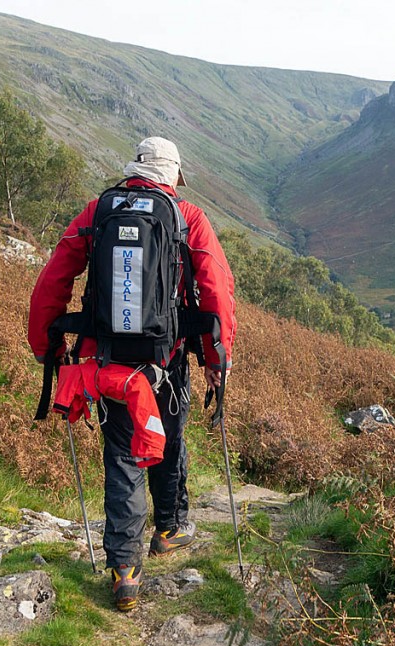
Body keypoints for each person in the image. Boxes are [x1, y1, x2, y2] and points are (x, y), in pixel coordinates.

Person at [28, 137, 236, 611]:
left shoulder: (96, 212)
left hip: (108, 364)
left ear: (135, 170)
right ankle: (169, 528)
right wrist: (215, 360)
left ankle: (125, 571)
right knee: (169, 438)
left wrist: (48, 344)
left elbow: (54, 279)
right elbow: (215, 293)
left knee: (122, 454)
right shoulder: (188, 218)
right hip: (167, 359)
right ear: (173, 177)